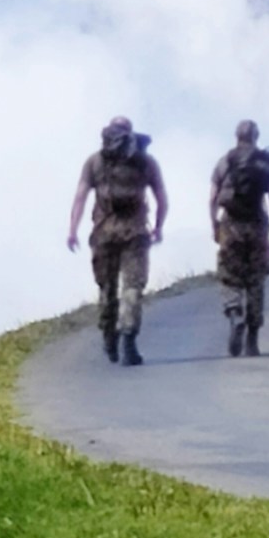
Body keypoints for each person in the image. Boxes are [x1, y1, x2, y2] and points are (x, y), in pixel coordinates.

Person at [66, 115, 169, 364]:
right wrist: (157, 227)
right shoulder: (145, 161)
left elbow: (80, 197)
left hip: (103, 233)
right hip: (135, 233)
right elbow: (161, 198)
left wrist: (72, 230)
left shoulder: (95, 162)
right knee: (132, 286)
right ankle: (129, 338)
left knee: (106, 288)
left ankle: (109, 338)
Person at [207, 119, 269, 359]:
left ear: (237, 136)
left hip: (231, 224)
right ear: (256, 136)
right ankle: (252, 340)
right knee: (256, 281)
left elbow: (212, 197)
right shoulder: (264, 164)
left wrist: (214, 224)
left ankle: (235, 313)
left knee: (229, 276)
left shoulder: (225, 162)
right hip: (258, 226)